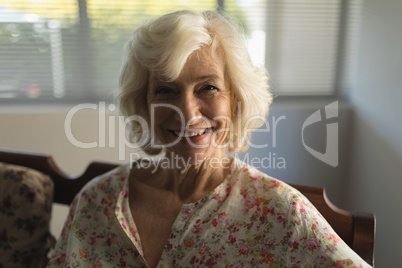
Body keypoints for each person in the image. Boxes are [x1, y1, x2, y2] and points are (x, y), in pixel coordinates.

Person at [48, 10, 371, 267]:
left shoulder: (280, 213)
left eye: (208, 88)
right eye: (165, 90)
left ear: (236, 99)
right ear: (143, 104)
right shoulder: (97, 201)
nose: (187, 112)